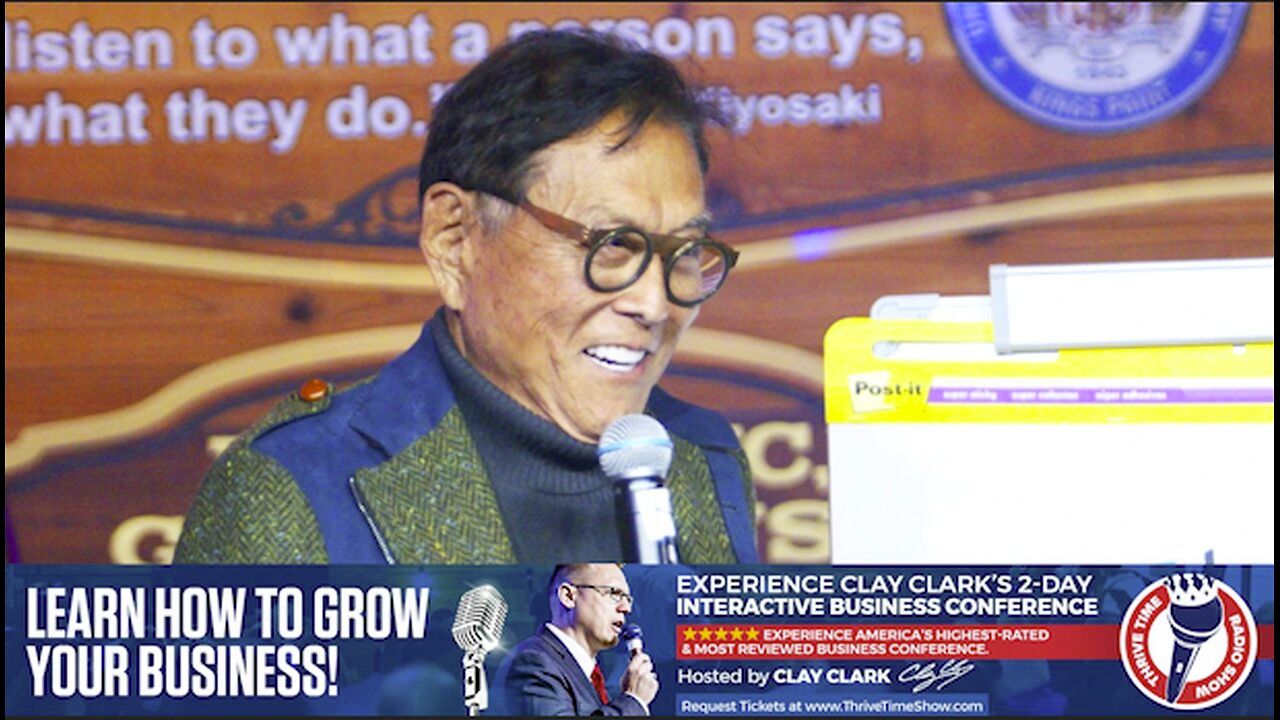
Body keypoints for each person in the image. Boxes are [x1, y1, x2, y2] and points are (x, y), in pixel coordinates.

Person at [173, 30, 757, 564]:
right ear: (454, 241)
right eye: (611, 245)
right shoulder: (291, 487)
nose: (653, 305)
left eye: (685, 251)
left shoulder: (703, 459)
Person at [495, 564, 656, 716]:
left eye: (627, 598)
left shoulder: (587, 674)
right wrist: (633, 701)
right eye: (613, 593)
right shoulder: (532, 663)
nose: (626, 608)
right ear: (568, 596)